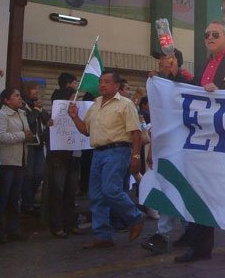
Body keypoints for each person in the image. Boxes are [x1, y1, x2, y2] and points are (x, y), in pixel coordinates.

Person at [174, 20, 225, 264]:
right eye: (206, 34)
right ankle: (199, 245)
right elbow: (191, 91)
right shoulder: (203, 64)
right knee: (201, 188)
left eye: (215, 34)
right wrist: (171, 75)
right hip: (204, 138)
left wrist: (218, 90)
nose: (209, 37)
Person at [67, 70, 144, 249]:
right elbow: (86, 130)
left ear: (116, 86)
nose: (102, 84)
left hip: (118, 151)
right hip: (98, 152)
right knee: (96, 195)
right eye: (101, 81)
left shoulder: (126, 104)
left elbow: (136, 131)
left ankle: (135, 217)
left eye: (107, 82)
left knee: (111, 190)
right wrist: (74, 117)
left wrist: (136, 155)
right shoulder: (95, 105)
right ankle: (103, 235)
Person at [142, 53, 193, 255]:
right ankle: (187, 231)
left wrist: (171, 77)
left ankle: (164, 234)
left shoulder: (186, 80)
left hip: (182, 147)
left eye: (164, 58)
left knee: (172, 187)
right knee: (170, 187)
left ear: (173, 61)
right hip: (167, 146)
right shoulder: (161, 83)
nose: (159, 62)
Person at [0, 87, 32, 244]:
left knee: (15, 198)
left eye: (20, 96)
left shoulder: (22, 113)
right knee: (2, 198)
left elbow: (27, 132)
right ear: (7, 100)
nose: (20, 98)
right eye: (16, 96)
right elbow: (0, 136)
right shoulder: (1, 115)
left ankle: (13, 230)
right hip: (6, 162)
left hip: (20, 161)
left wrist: (28, 135)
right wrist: (22, 135)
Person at [45, 72, 80, 238]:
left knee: (71, 193)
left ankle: (71, 224)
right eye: (72, 98)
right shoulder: (52, 117)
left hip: (73, 157)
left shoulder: (78, 115)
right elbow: (45, 136)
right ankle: (57, 225)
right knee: (58, 192)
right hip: (58, 159)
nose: (75, 101)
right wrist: (49, 126)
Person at [20, 81, 47, 215]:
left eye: (37, 89)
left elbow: (47, 120)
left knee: (40, 173)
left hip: (39, 144)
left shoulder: (37, 105)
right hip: (28, 145)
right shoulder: (23, 106)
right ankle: (27, 204)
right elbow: (29, 123)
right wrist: (36, 111)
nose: (37, 91)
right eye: (33, 89)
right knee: (29, 175)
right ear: (26, 90)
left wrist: (40, 110)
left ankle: (29, 201)